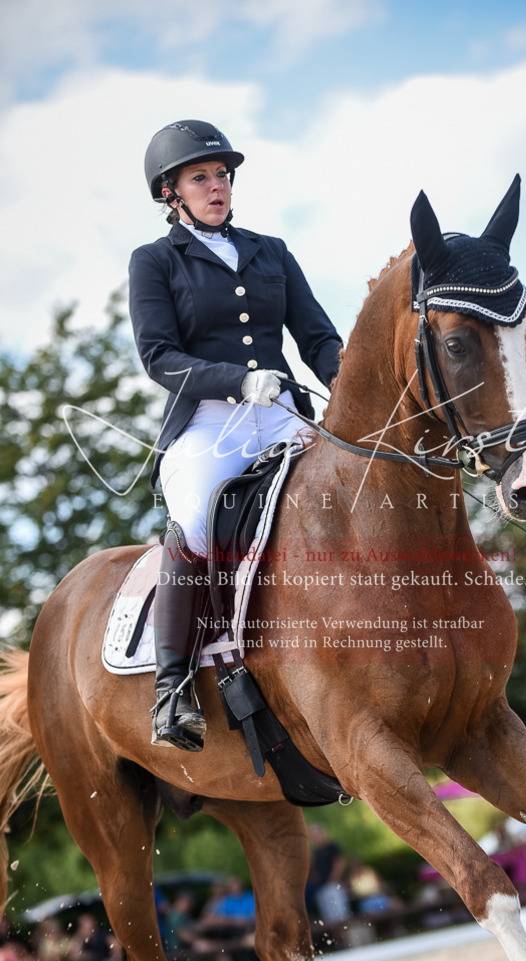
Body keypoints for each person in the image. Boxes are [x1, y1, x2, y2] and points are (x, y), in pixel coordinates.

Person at [130, 119, 343, 751]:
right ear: (170, 192)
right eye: (200, 177)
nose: (217, 185)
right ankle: (172, 690)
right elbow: (158, 356)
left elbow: (317, 338)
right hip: (209, 421)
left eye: (222, 174)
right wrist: (237, 380)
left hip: (282, 414)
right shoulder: (155, 261)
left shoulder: (270, 250)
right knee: (196, 519)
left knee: (353, 489)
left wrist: (351, 388)